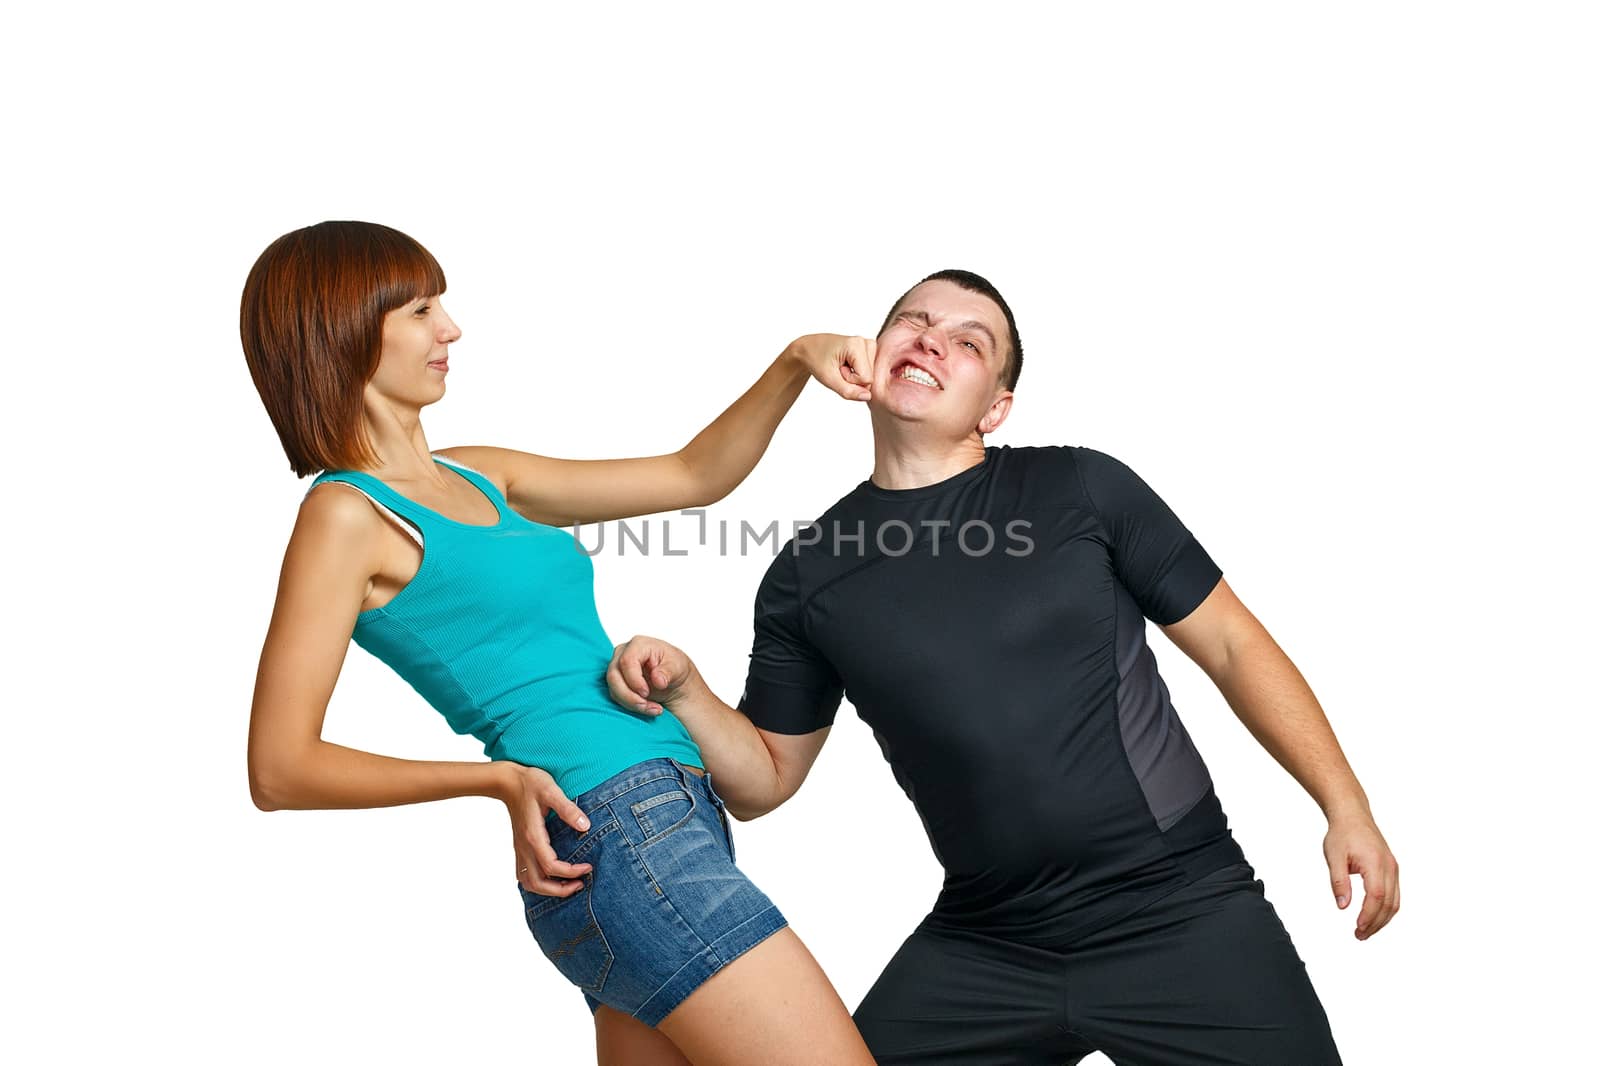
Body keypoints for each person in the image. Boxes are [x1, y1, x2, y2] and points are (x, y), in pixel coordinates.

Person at [598, 269, 1401, 1065]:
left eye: (968, 342)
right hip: (988, 943)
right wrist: (689, 692)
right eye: (912, 322)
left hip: (1177, 908)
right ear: (873, 359)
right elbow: (765, 780)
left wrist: (1345, 804)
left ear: (996, 407)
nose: (931, 341)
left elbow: (1233, 645)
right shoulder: (808, 573)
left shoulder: (1080, 487)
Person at [240, 220, 877, 1065]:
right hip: (617, 828)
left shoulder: (480, 473)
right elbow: (280, 767)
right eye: (422, 310)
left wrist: (796, 360)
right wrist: (498, 780)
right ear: (343, 331)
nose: (451, 331)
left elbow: (695, 474)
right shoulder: (347, 516)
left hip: (674, 816)